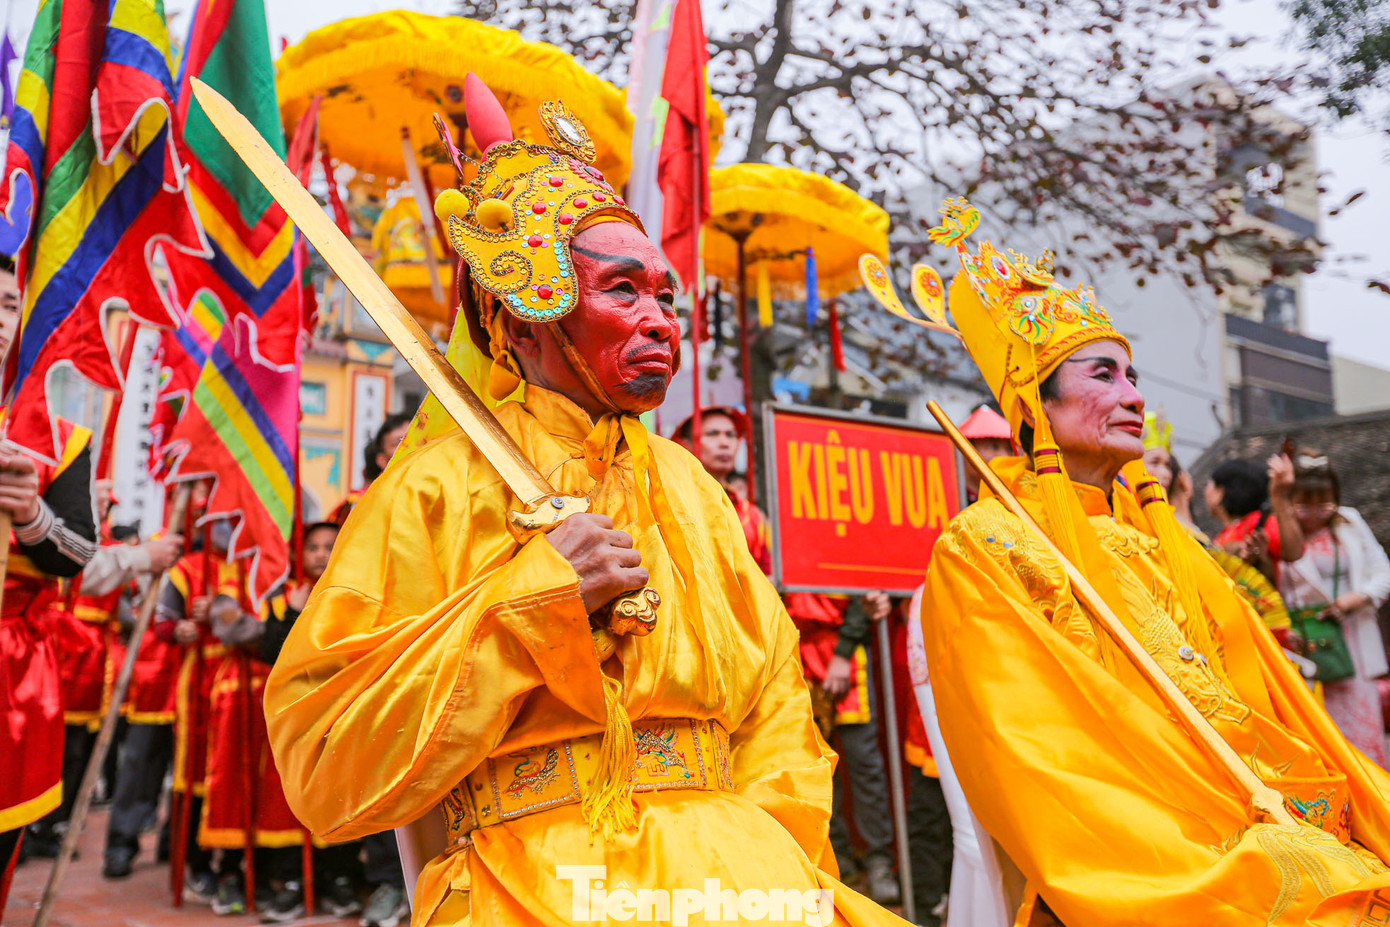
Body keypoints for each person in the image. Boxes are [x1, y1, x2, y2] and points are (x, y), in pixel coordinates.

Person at [265, 75, 908, 927]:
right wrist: (532, 603)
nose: (661, 321)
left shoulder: (693, 489)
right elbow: (323, 763)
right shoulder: (433, 486)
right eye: (623, 292)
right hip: (532, 879)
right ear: (524, 322)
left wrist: (767, 857)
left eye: (667, 295)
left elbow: (775, 705)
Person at [907, 196, 1390, 925]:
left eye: (1132, 377)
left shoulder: (1156, 541)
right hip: (1138, 840)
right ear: (1037, 410)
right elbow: (1033, 748)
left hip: (1249, 802)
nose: (1133, 398)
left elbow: (1248, 697)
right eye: (1103, 375)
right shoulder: (986, 546)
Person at [0, 256, 99, 904]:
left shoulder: (58, 439)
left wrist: (32, 516)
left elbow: (78, 553)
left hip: (9, 670)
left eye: (9, 304)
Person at [34, 481, 183, 859]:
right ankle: (55, 828)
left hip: (96, 664)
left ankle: (60, 823)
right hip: (62, 662)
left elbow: (106, 575)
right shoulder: (47, 533)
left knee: (78, 751)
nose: (104, 507)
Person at [786, 590, 901, 905]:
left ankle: (880, 863)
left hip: (844, 652)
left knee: (864, 765)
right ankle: (836, 860)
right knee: (814, 764)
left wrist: (843, 652)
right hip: (794, 651)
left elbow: (859, 591)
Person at [1279, 453, 1390, 767]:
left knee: (1363, 741)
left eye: (1323, 503)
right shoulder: (1281, 527)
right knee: (1321, 742)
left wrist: (1356, 598)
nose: (1314, 512)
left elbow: (1384, 572)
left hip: (1353, 644)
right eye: (1304, 503)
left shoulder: (1350, 521)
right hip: (1305, 644)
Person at [672, 406, 772, 574]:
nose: (725, 443)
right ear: (686, 443)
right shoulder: (672, 500)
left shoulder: (751, 515)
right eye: (712, 434)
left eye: (731, 435)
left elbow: (765, 574)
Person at [1207, 455, 1305, 586]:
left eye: (1209, 485)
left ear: (1220, 492)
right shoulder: (1224, 533)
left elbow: (1293, 552)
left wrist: (1280, 497)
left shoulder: (1257, 522)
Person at [329, 413, 412, 526]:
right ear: (382, 460)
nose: (410, 446)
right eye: (399, 442)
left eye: (414, 437)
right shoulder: (367, 503)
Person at [956, 405, 1014, 503]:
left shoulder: (1012, 501)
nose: (1005, 456)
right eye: (994, 447)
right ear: (966, 449)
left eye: (1009, 449)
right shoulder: (948, 497)